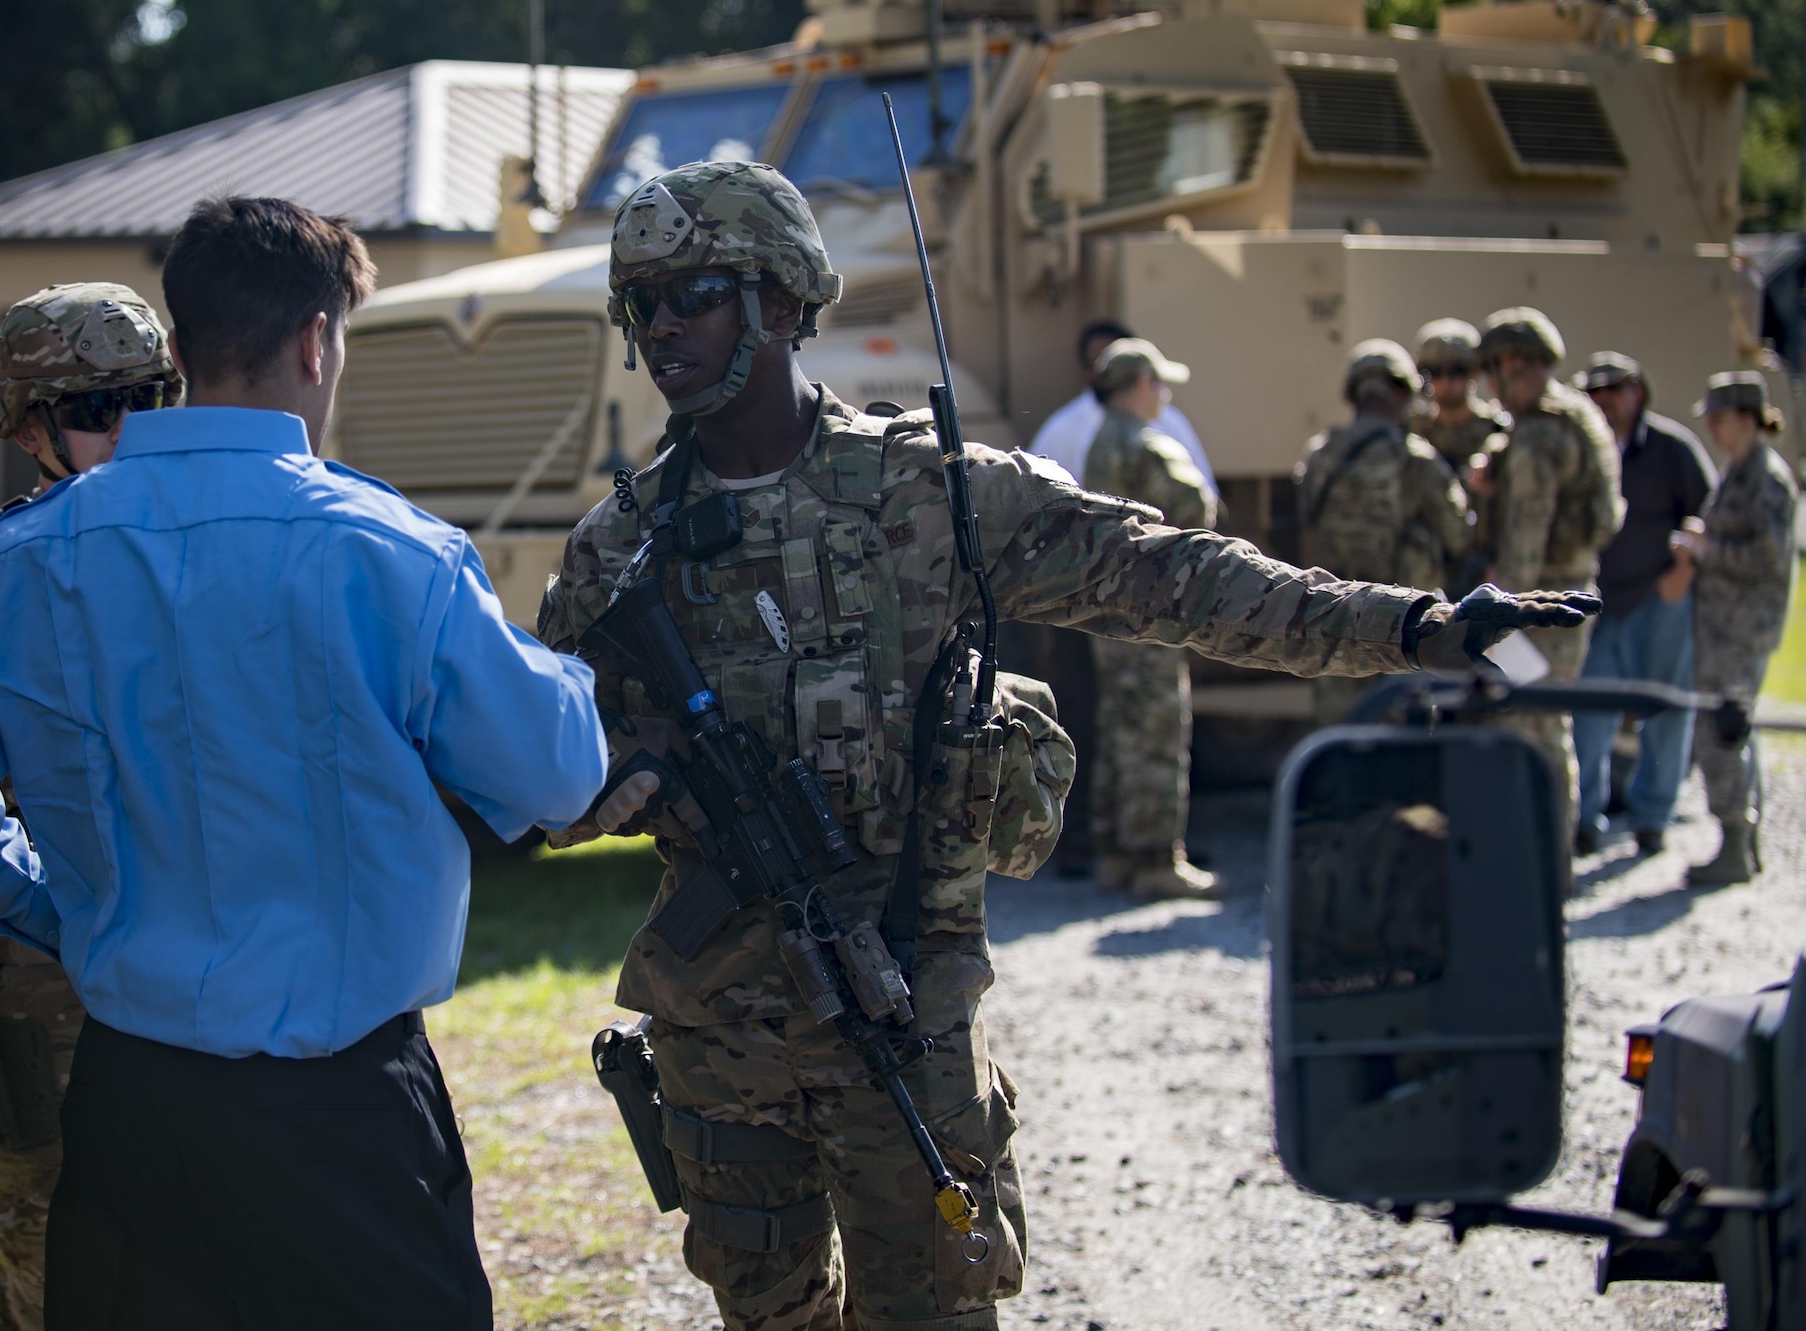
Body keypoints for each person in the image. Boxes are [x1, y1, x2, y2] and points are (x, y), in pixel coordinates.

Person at [534, 160, 1597, 1331]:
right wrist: (621, 777)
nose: (664, 325)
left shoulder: (928, 492)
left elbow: (1168, 573)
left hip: (899, 1016)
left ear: (782, 301)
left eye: (694, 291)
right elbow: (533, 767)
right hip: (720, 1038)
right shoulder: (616, 551)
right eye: (644, 304)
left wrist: (1412, 627)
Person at [0, 196, 607, 1329]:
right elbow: (559, 777)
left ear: (177, 348)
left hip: (129, 1109)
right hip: (349, 1110)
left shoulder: (14, 562)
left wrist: (57, 907)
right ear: (318, 340)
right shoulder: (393, 549)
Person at [0, 282, 180, 1331]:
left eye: (149, 398)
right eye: (99, 409)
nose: (130, 430)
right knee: (61, 1271)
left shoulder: (220, 546)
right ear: (24, 425)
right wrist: (55, 903)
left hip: (213, 984)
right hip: (56, 1005)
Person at [1081, 337, 1221, 900]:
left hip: (1107, 613)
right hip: (1151, 614)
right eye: (1159, 383)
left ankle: (1115, 852)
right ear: (1140, 385)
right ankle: (1156, 861)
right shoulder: (1143, 445)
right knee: (1159, 731)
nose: (1163, 394)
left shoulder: (1098, 445)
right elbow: (1197, 508)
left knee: (1119, 729)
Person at [1477, 307, 1625, 833]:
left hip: (1536, 612)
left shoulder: (1541, 438)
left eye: (1490, 369)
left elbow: (1523, 548)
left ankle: (1544, 854)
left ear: (1511, 363)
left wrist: (1493, 610)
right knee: (1546, 721)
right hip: (1569, 595)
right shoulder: (1571, 415)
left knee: (1534, 723)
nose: (1489, 385)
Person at [1569, 352, 1718, 857]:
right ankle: (1583, 819)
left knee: (1666, 709)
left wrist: (1685, 571)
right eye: (1596, 392)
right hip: (1594, 600)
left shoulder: (1672, 448)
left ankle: (1652, 817)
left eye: (1616, 389)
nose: (1605, 400)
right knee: (1587, 711)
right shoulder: (1582, 449)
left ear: (1638, 393)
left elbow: (1708, 516)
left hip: (1659, 595)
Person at [1295, 339, 1473, 722]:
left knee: (1341, 738)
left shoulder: (1319, 455)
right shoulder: (1416, 459)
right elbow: (1459, 535)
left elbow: (1306, 526)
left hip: (1334, 620)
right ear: (1401, 392)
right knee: (1402, 746)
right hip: (1402, 627)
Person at [1672, 372, 1799, 885]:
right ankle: (1744, 841)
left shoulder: (1764, 477)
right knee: (1734, 726)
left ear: (1747, 420)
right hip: (1727, 621)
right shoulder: (1741, 471)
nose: (1715, 430)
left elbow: (1767, 558)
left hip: (1740, 626)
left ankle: (1735, 843)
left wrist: (1707, 551)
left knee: (1722, 729)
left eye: (1721, 419)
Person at [1025, 318, 1216, 489]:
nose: (1102, 366)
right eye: (1094, 359)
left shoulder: (1171, 422)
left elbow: (1205, 492)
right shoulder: (1062, 429)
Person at [1412, 318, 1506, 594]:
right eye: (1435, 373)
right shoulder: (1414, 432)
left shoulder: (1498, 431)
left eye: (1457, 371)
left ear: (1474, 372)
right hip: (1425, 570)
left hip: (1483, 569)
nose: (1446, 382)